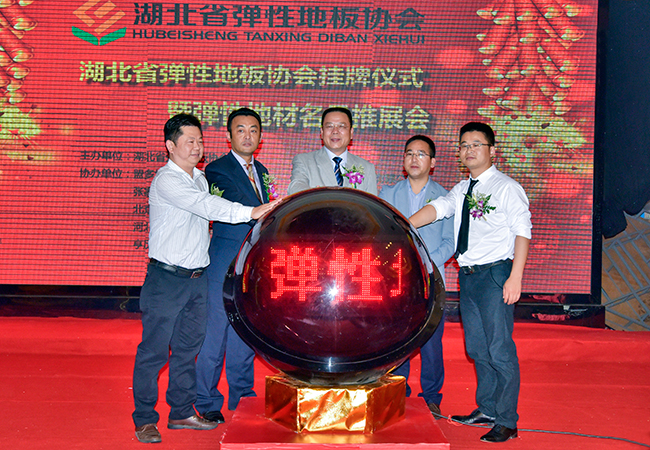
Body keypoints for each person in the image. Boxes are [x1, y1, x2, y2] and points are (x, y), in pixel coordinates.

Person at [132, 113, 277, 444]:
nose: (197, 147)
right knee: (154, 352)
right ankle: (145, 419)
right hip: (166, 279)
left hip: (198, 277)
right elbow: (207, 206)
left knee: (188, 349)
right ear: (170, 146)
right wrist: (251, 211)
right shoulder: (167, 180)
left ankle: (182, 412)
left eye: (199, 140)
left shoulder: (199, 178)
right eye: (189, 141)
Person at [410, 122, 531, 443]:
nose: (469, 150)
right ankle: (487, 409)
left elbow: (522, 232)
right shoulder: (463, 188)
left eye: (477, 144)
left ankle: (507, 421)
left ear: (493, 150)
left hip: (496, 275)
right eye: (464, 145)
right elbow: (438, 209)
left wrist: (515, 277)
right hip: (469, 276)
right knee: (478, 348)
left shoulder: (506, 187)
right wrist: (404, 224)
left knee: (500, 349)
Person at [195, 108, 269, 423]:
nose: (247, 136)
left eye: (253, 130)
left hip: (250, 266)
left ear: (260, 136)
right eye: (240, 130)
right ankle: (206, 399)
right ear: (228, 136)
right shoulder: (217, 169)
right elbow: (243, 206)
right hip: (222, 263)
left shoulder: (262, 170)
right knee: (215, 333)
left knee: (244, 332)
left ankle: (242, 395)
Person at [379, 135, 454, 418]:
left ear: (432, 163)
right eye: (409, 153)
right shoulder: (388, 194)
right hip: (395, 279)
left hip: (431, 279)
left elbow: (450, 242)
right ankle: (399, 392)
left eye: (421, 154)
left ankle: (432, 397)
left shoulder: (445, 198)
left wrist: (424, 263)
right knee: (398, 339)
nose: (414, 158)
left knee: (431, 343)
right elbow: (381, 234)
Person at [287, 106, 378, 195]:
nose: (335, 131)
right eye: (329, 126)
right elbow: (296, 187)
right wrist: (315, 195)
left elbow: (372, 203)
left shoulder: (367, 168)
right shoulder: (304, 161)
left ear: (351, 133)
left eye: (341, 126)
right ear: (322, 132)